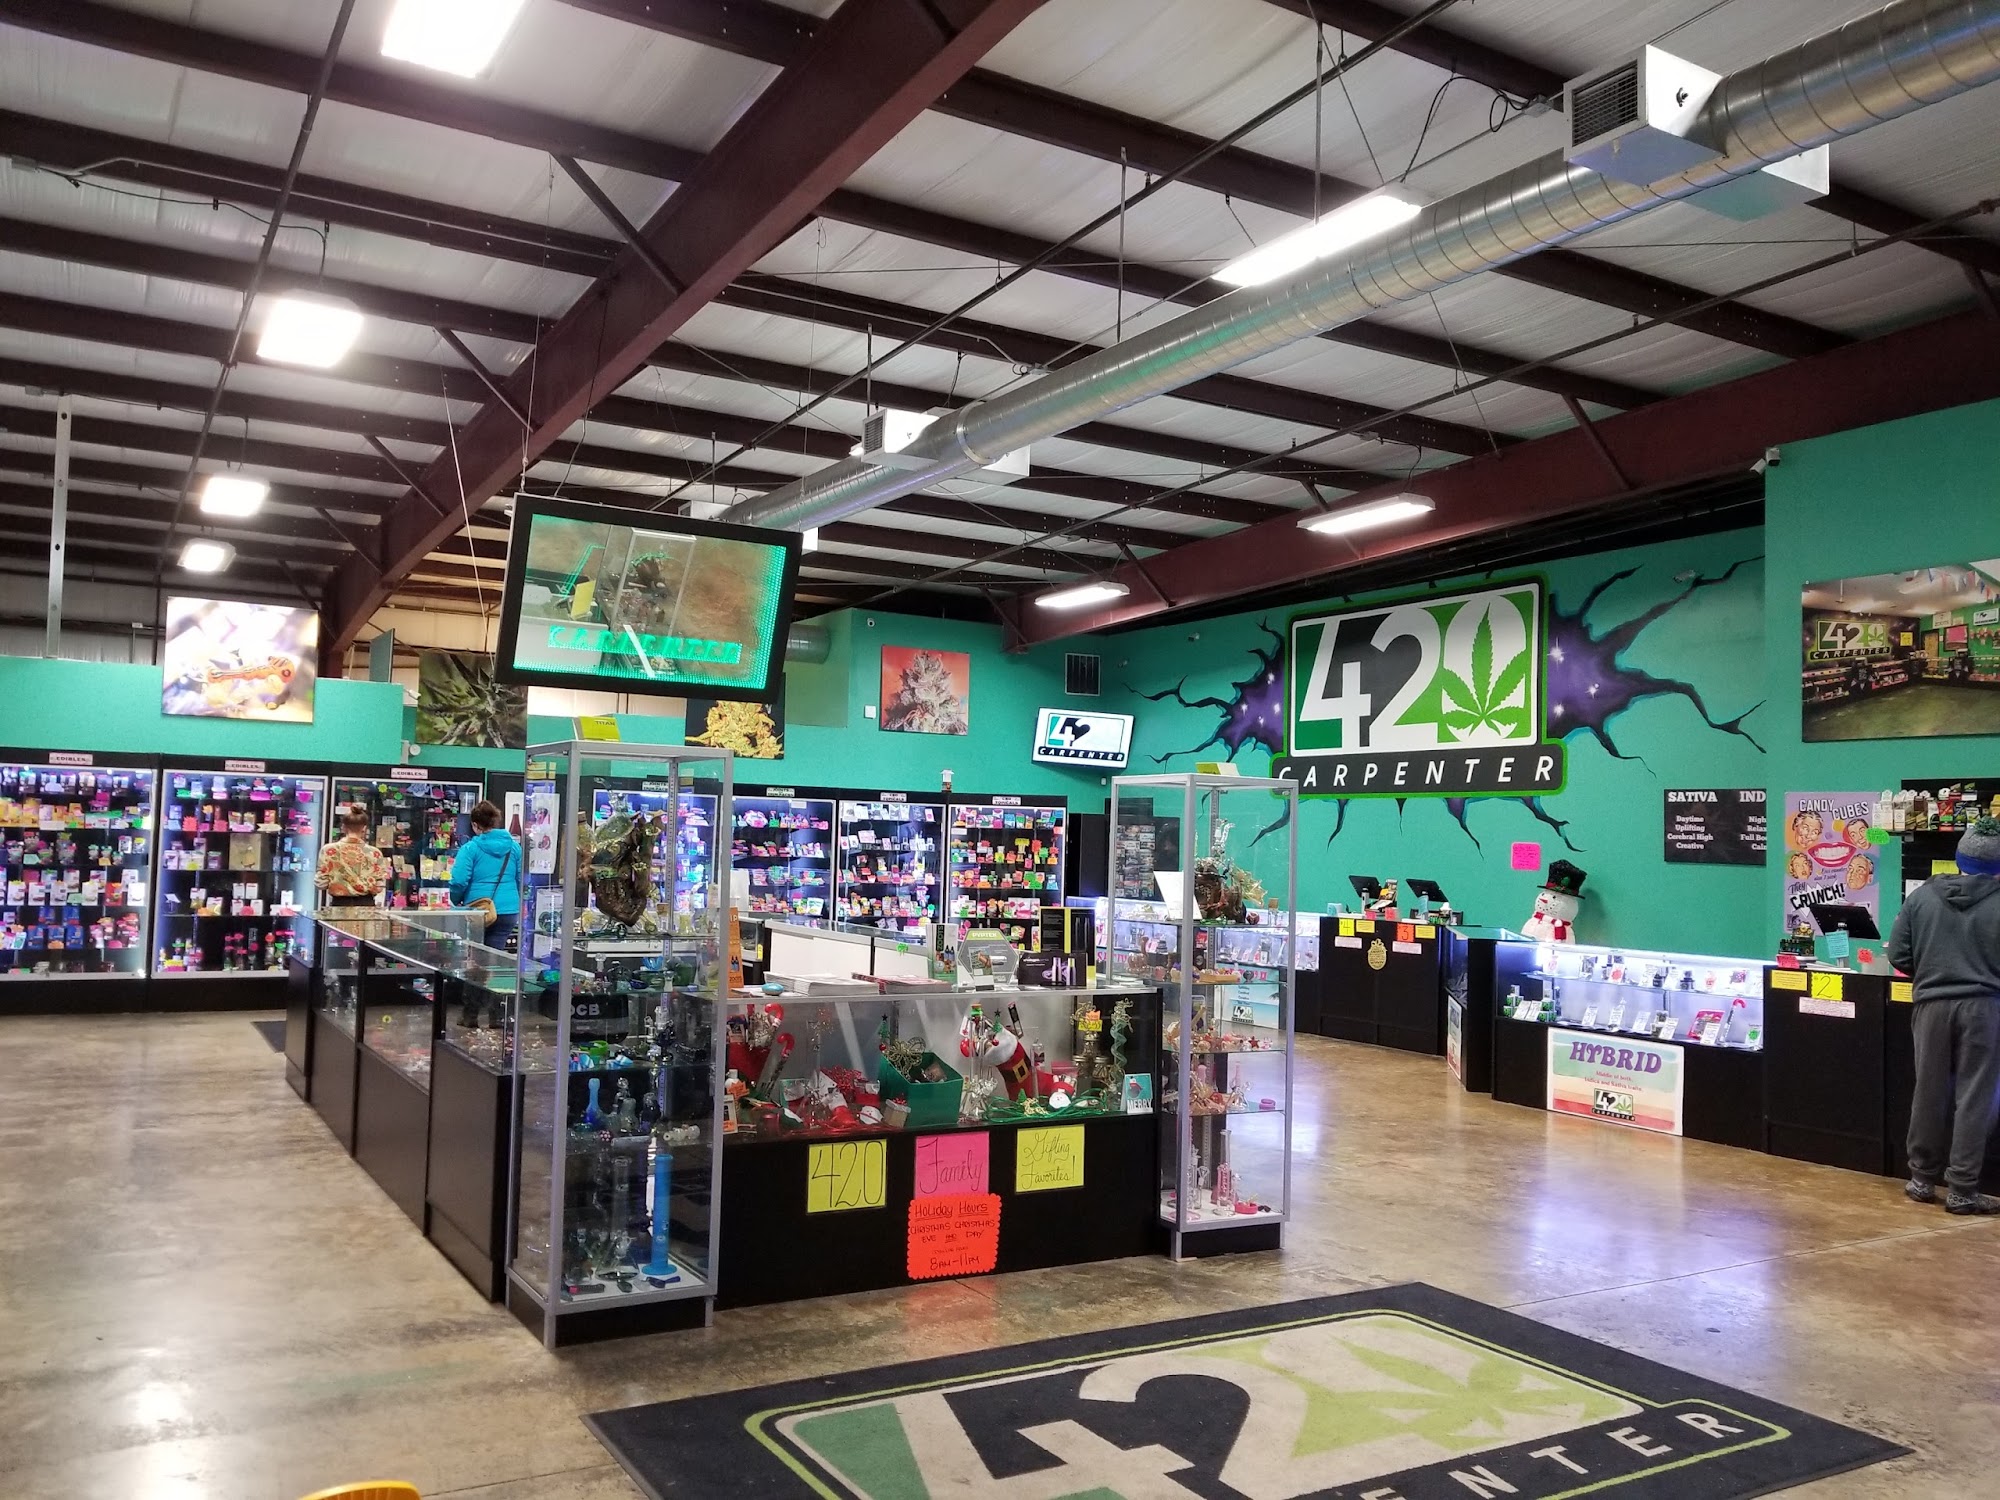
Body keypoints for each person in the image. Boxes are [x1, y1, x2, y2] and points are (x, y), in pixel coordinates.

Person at [1888, 816, 2000, 1215]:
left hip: (1931, 1005)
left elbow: (1898, 955)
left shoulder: (1922, 897)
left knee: (1929, 1090)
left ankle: (1921, 1179)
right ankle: (1962, 1190)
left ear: (1960, 857)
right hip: (1986, 1008)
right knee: (1976, 1097)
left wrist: (1932, 973)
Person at [451, 800, 522, 950]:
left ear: (475, 825)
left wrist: (453, 901)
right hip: (508, 910)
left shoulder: (470, 849)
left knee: (475, 954)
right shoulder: (515, 848)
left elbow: (459, 881)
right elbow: (521, 879)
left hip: (479, 910)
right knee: (495, 953)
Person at [315, 810, 389, 908]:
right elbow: (379, 886)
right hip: (366, 905)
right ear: (364, 828)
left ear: (343, 827)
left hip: (339, 904)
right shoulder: (375, 853)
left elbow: (321, 884)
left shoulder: (328, 850)